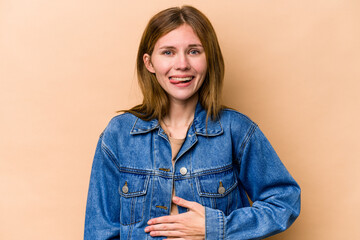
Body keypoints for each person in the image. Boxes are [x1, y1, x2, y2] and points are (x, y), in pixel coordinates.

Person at [84, 5, 301, 240]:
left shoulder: (236, 130)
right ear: (149, 63)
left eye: (194, 51)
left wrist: (216, 227)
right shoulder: (118, 134)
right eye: (168, 52)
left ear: (209, 59)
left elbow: (284, 200)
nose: (182, 64)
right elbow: (99, 232)